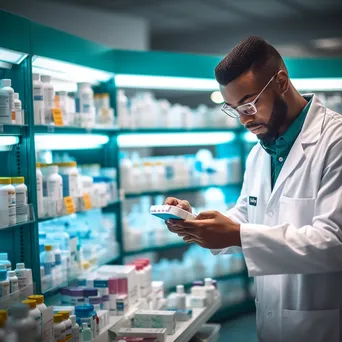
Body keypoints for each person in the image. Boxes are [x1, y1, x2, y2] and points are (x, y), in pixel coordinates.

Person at [165, 36, 342, 342]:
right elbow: (248, 213)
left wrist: (237, 235)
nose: (244, 119)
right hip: (271, 321)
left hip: (323, 324)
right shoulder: (260, 152)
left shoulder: (335, 142)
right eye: (234, 109)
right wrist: (197, 221)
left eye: (249, 104)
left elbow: (333, 242)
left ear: (282, 81)